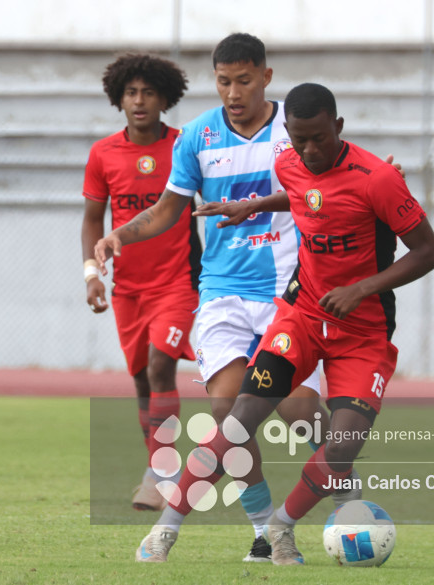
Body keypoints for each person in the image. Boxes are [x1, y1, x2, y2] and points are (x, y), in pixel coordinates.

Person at [133, 82, 434, 564]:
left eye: (320, 138)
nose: (310, 150)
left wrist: (362, 288)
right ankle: (164, 532)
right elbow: (302, 195)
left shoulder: (378, 179)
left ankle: (280, 528)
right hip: (301, 318)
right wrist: (253, 205)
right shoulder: (288, 162)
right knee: (237, 420)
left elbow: (428, 252)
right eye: (300, 140)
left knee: (340, 449)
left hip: (363, 333)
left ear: (338, 126)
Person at [95, 34, 355, 562]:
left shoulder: (294, 130)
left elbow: (330, 187)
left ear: (266, 76)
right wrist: (121, 233)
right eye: (223, 82)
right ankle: (268, 534)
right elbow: (168, 209)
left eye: (243, 80)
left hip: (288, 294)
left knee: (300, 410)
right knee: (227, 416)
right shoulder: (197, 136)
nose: (233, 92)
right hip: (222, 294)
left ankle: (348, 498)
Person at [81, 53, 201, 512]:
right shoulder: (103, 153)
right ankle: (160, 468)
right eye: (131, 92)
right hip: (128, 288)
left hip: (178, 282)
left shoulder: (185, 146)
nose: (139, 100)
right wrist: (92, 274)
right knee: (141, 381)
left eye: (149, 92)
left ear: (165, 98)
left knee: (160, 366)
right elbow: (92, 219)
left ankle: (160, 475)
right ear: (119, 98)